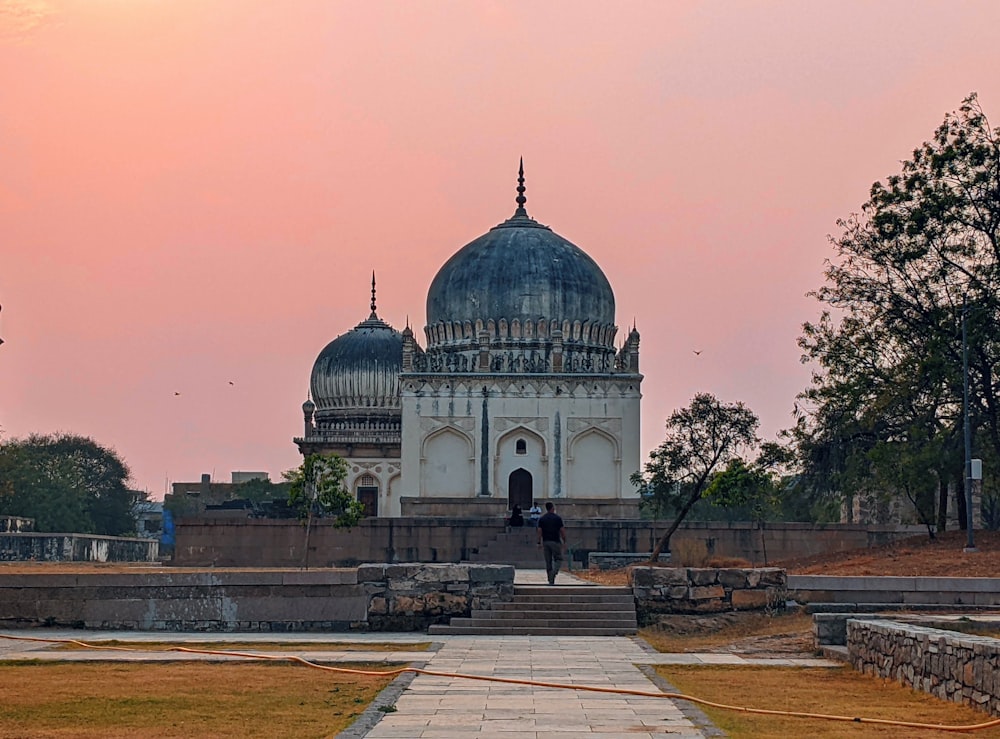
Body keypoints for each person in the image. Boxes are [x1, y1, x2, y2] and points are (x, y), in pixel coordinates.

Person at [536, 501, 565, 585]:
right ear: (552, 508)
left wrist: (538, 542)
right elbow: (562, 530)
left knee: (548, 561)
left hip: (546, 541)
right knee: (558, 559)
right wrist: (564, 540)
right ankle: (553, 574)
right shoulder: (557, 518)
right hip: (555, 541)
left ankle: (550, 580)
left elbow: (539, 531)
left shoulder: (542, 519)